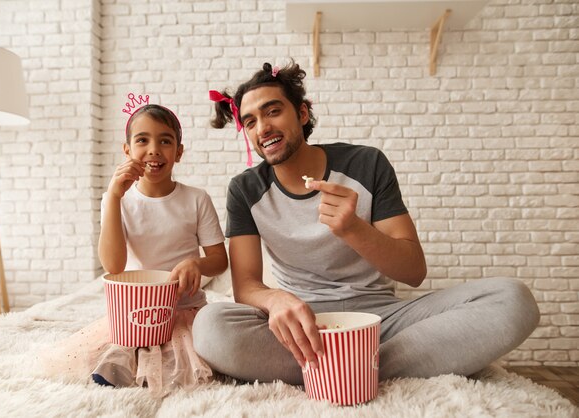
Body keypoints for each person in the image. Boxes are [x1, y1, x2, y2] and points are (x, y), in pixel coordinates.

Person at [192, 61, 540, 385]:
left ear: (301, 113)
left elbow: (413, 271)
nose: (263, 127)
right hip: (304, 326)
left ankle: (340, 367)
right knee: (210, 327)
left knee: (512, 299)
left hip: (382, 319)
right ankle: (367, 366)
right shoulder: (244, 189)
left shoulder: (366, 163)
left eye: (273, 111)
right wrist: (276, 300)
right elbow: (247, 286)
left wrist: (354, 229)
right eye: (250, 121)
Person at [40, 97, 228, 398]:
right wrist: (113, 197)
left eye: (165, 141)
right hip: (134, 312)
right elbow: (113, 266)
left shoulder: (196, 199)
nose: (154, 149)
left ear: (178, 153)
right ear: (127, 151)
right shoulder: (117, 200)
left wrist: (198, 264)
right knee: (122, 347)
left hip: (183, 308)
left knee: (184, 356)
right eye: (143, 140)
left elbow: (219, 260)